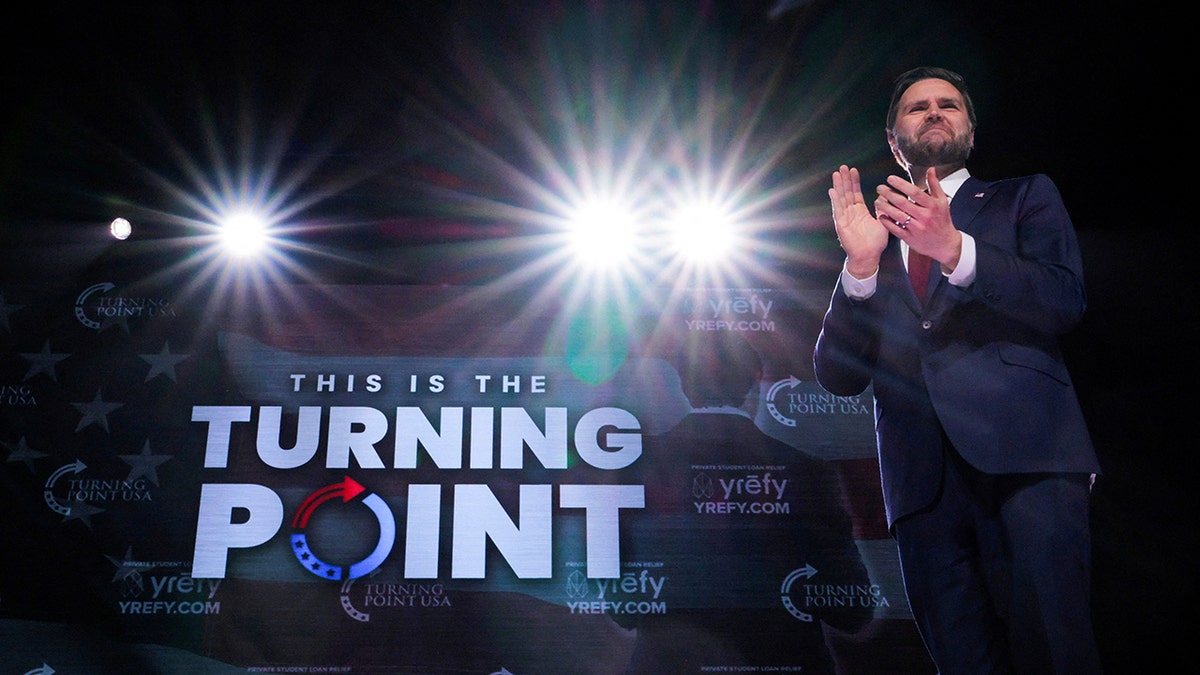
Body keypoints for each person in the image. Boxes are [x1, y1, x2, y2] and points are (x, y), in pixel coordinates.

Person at [812, 66, 1102, 673]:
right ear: (895, 140)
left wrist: (956, 250)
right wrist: (862, 269)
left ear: (970, 130)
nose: (934, 112)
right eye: (917, 108)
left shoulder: (1024, 197)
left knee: (1056, 652)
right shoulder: (876, 236)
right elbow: (838, 376)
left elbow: (1063, 300)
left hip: (1029, 465)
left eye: (949, 105)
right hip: (921, 485)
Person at [624, 329, 871, 674]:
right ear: (757, 381)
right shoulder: (808, 471)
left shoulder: (638, 466)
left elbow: (622, 606)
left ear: (683, 383)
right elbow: (854, 609)